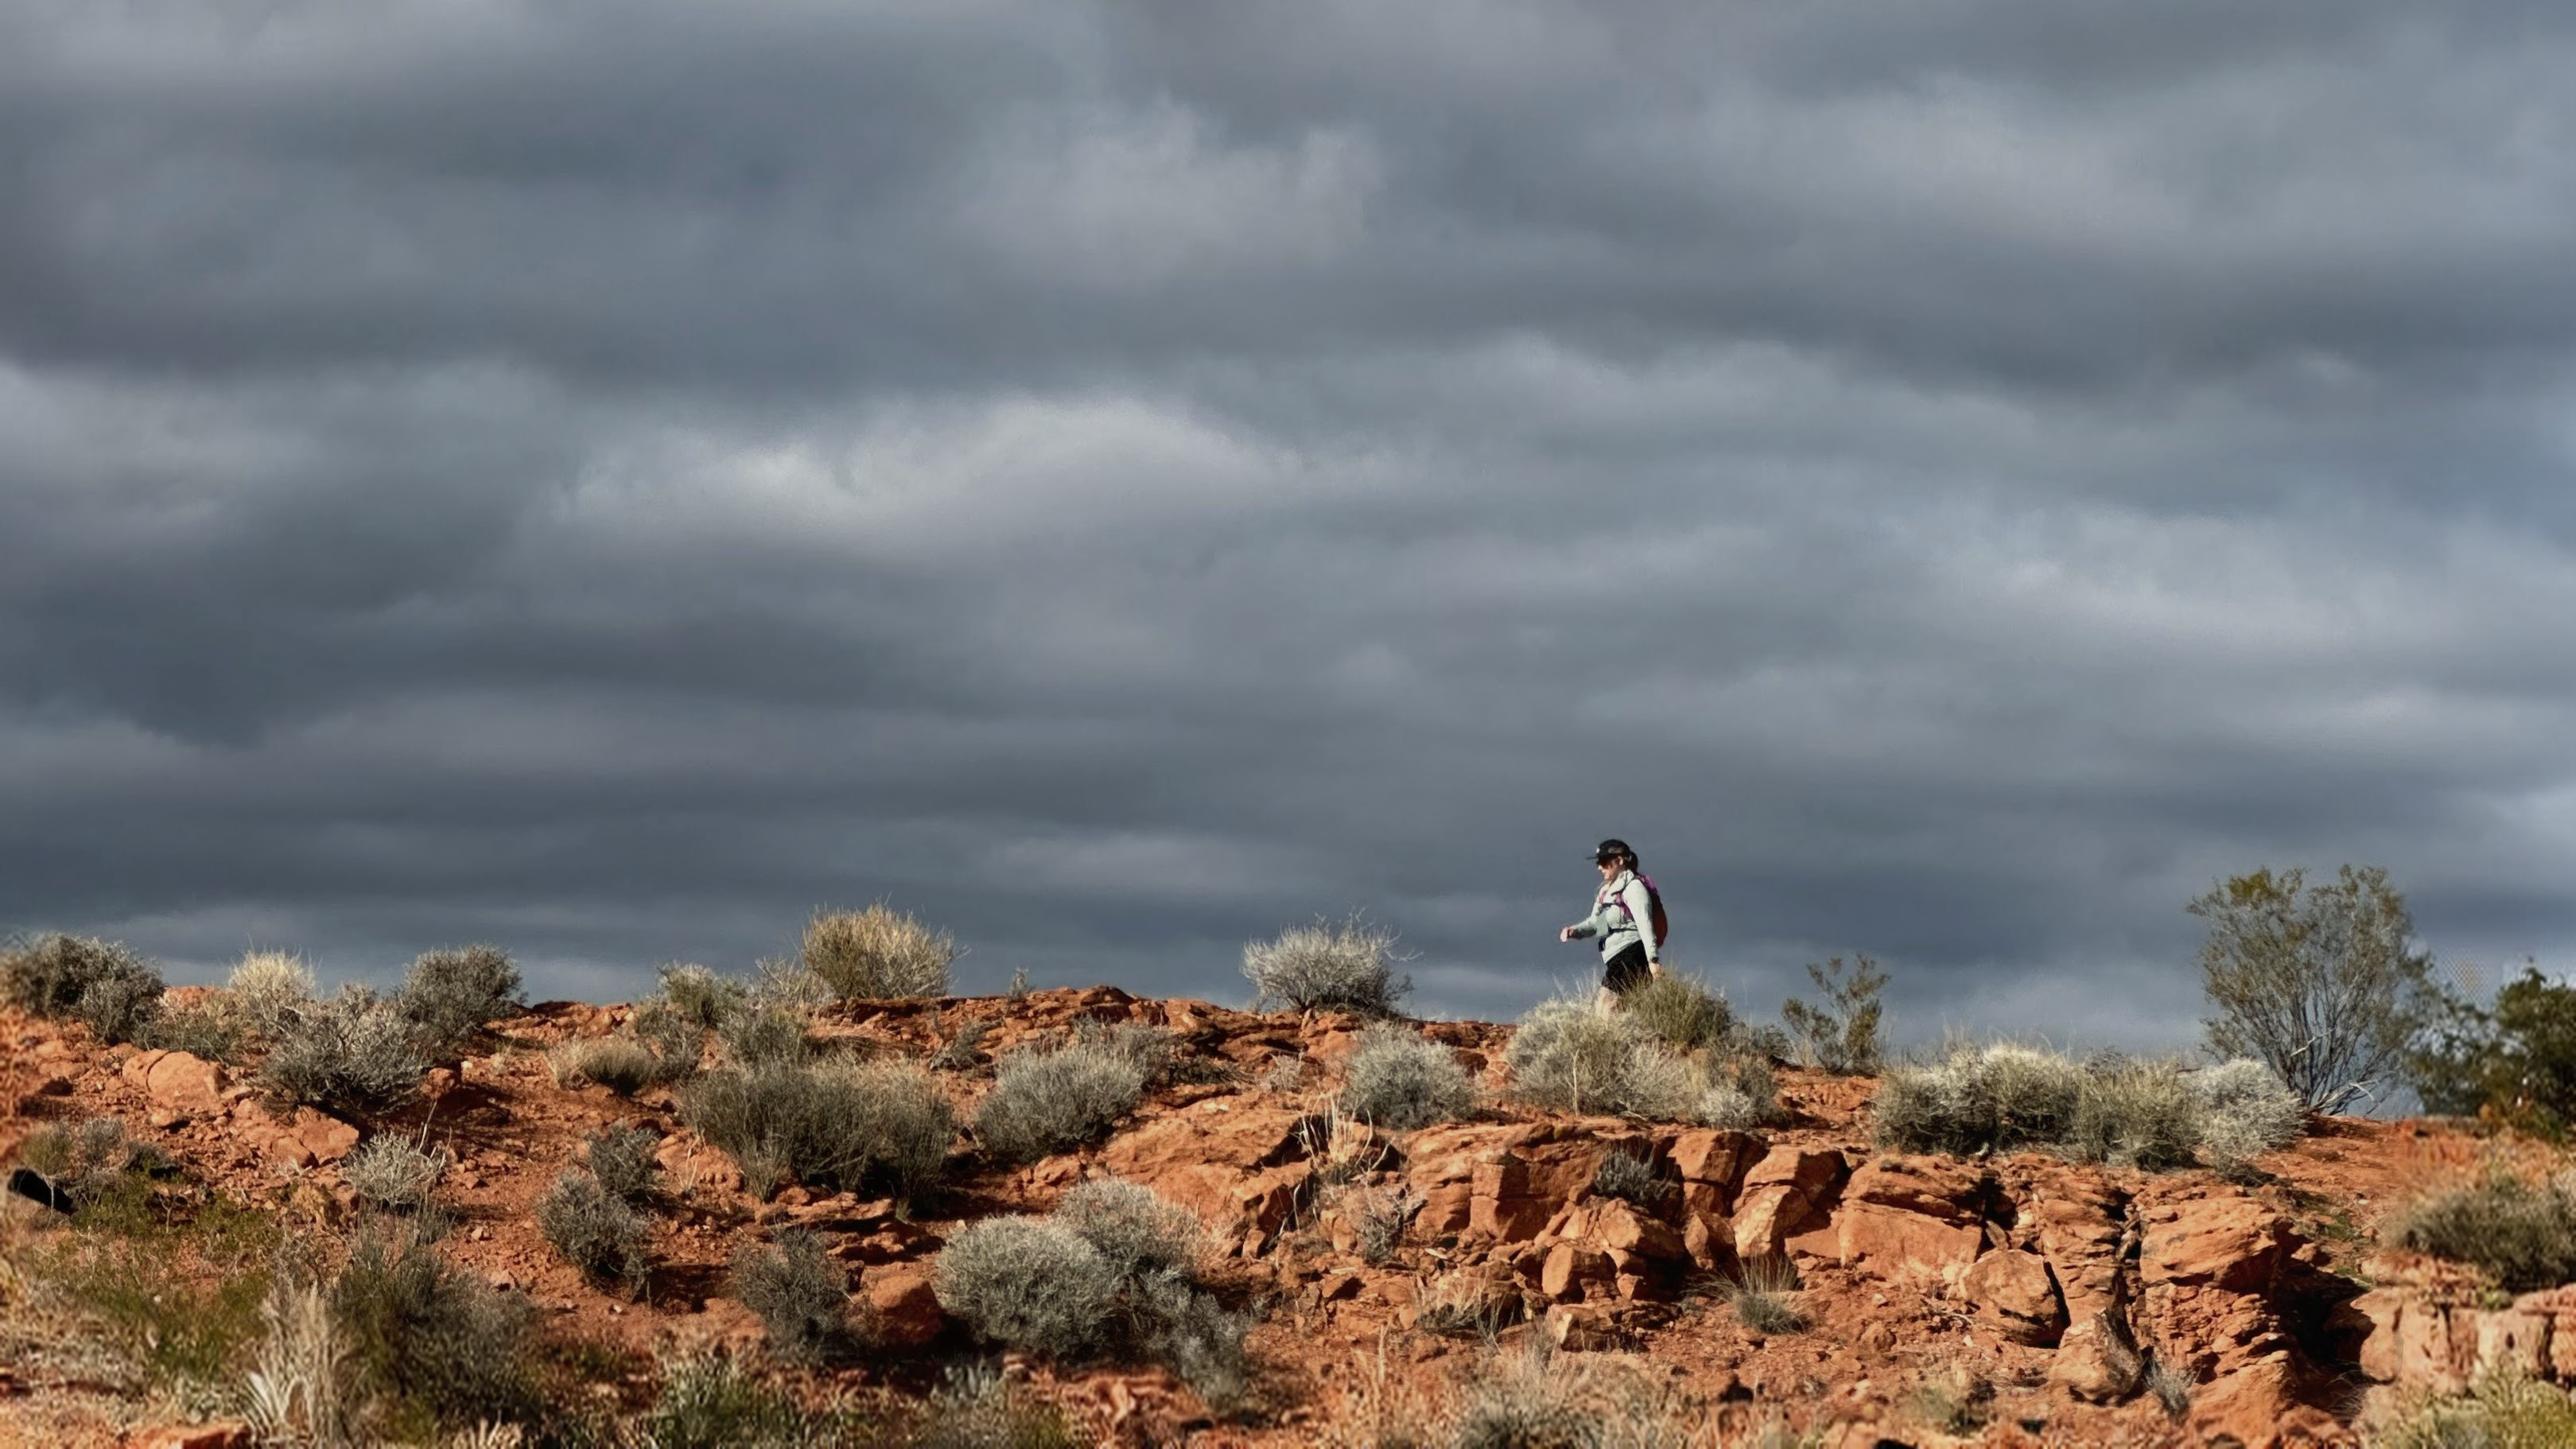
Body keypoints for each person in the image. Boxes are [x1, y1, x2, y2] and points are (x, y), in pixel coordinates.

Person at [1560, 838, 1662, 1008]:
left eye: (1604, 862)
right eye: (1598, 863)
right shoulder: (1605, 893)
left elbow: (1645, 924)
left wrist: (1653, 960)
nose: (1600, 867)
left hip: (1633, 955)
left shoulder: (1633, 887)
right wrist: (1575, 931)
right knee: (1615, 1009)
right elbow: (1597, 924)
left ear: (1620, 861)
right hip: (1615, 959)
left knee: (1606, 1005)